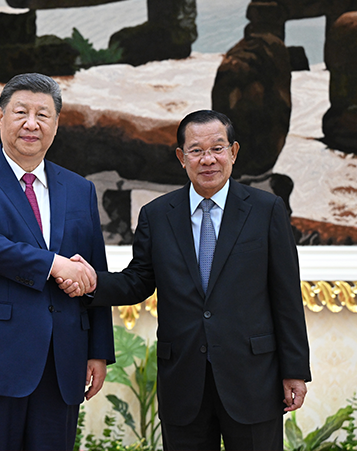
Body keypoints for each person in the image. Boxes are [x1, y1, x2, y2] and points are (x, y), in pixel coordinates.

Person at [58, 110, 311, 451]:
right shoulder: (157, 215)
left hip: (252, 378)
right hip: (183, 379)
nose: (208, 159)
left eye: (217, 148)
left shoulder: (266, 210)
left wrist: (295, 370)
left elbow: (286, 296)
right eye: (196, 150)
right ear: (181, 157)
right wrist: (91, 283)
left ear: (233, 152)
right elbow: (138, 281)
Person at [0, 72, 115, 451]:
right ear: (0, 117)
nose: (31, 124)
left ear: (56, 123)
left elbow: (93, 270)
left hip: (63, 357)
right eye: (21, 112)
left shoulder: (80, 188)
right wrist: (55, 265)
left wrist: (99, 350)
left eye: (43, 114)